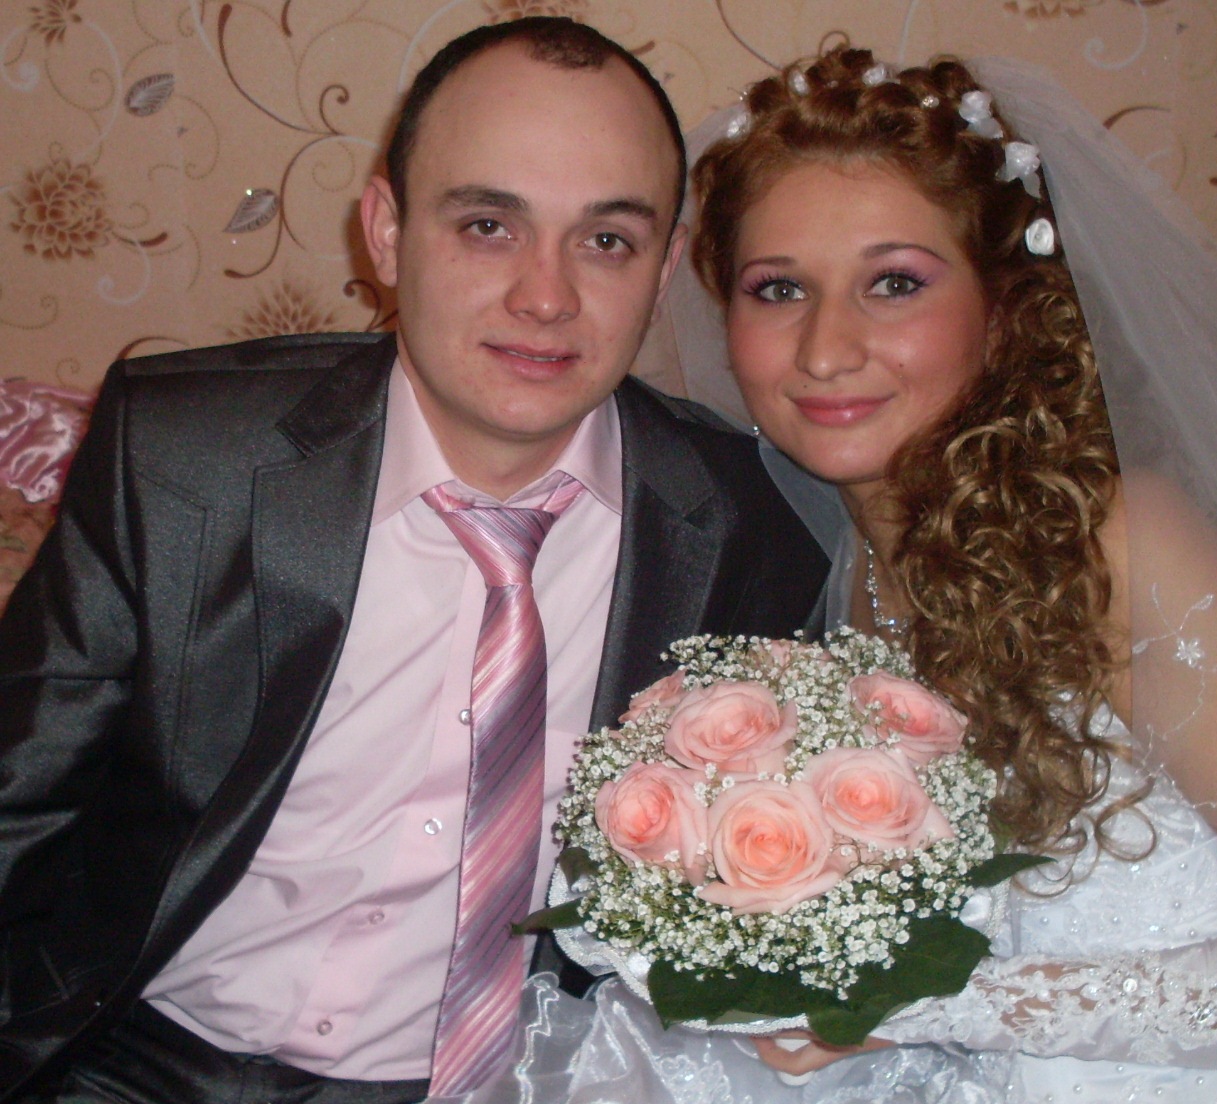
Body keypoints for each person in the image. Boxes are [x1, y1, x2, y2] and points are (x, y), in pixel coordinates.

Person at [494, 44, 1217, 1104]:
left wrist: (925, 1005)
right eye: (778, 289)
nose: (825, 349)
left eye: (894, 284)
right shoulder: (839, 568)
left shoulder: (1118, 545)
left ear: (1003, 310)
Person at [0, 17, 830, 1104]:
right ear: (386, 233)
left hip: (504, 1079)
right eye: (488, 225)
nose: (545, 296)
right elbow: (20, 798)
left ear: (665, 264)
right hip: (139, 1058)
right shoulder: (186, 457)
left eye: (605, 240)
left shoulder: (748, 524)